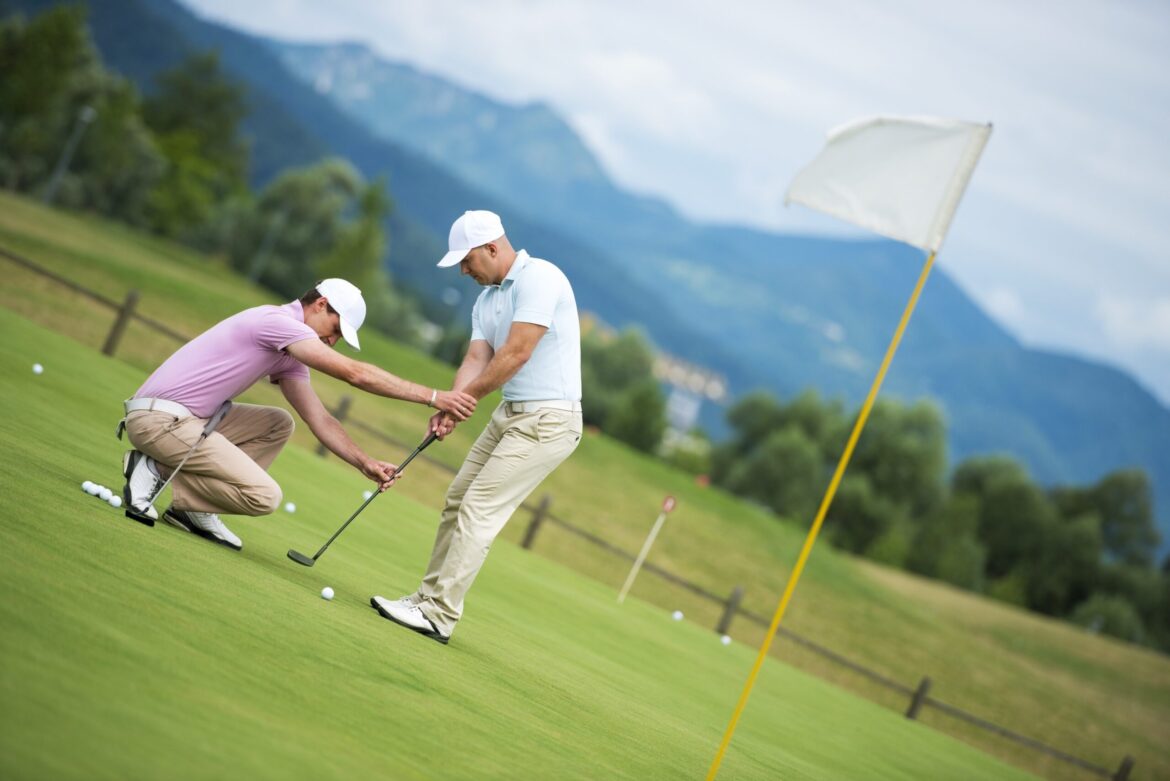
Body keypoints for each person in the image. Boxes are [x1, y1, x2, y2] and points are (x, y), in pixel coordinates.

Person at [118, 278, 477, 551]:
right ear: (321, 304)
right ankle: (153, 469)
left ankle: (192, 509)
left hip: (187, 421)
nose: (333, 341)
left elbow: (320, 419)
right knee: (264, 496)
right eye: (336, 330)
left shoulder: (288, 352)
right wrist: (434, 397)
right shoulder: (277, 322)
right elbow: (356, 374)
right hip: (158, 421)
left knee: (278, 424)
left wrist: (364, 462)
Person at [370, 210, 582, 644]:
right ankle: (425, 600)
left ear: (491, 248)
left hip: (549, 419)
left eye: (467, 261)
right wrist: (449, 403)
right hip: (511, 413)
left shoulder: (540, 278)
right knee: (457, 499)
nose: (464, 271)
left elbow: (517, 353)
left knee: (479, 508)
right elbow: (476, 359)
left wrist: (465, 401)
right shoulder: (486, 300)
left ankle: (439, 615)